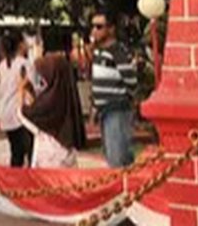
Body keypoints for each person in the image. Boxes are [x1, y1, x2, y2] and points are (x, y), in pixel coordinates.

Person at [21, 52, 87, 168]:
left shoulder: (47, 102)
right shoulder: (65, 94)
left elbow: (24, 115)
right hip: (67, 153)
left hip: (49, 157)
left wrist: (20, 90)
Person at [90, 10, 138, 167]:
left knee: (118, 159)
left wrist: (123, 97)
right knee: (111, 157)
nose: (94, 31)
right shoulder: (98, 52)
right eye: (93, 26)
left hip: (117, 110)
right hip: (104, 111)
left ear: (111, 29)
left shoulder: (118, 52)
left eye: (99, 26)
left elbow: (131, 80)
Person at [0, 33, 33, 167]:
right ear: (20, 45)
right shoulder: (23, 63)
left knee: (16, 152)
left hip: (6, 114)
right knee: (31, 150)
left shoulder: (3, 65)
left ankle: (14, 182)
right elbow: (35, 84)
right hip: (20, 114)